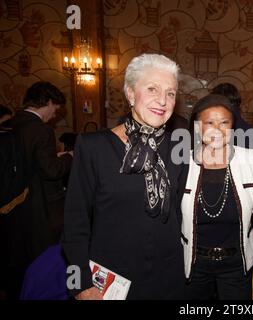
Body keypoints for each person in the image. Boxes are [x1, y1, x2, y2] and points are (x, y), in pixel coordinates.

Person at [63, 53, 187, 300]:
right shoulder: (94, 147)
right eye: (152, 89)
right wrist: (79, 286)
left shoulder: (178, 148)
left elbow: (181, 212)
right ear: (130, 93)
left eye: (170, 93)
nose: (162, 100)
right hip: (111, 282)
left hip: (169, 279)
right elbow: (74, 224)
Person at [181, 94, 253, 299]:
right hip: (194, 262)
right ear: (198, 128)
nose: (217, 129)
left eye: (224, 122)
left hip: (237, 262)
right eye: (210, 122)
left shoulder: (248, 158)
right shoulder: (183, 163)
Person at [2, 81, 72, 299]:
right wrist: (69, 157)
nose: (54, 114)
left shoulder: (12, 124)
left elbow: (28, 162)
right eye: (55, 108)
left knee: (19, 256)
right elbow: (50, 171)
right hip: (41, 206)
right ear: (48, 102)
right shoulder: (40, 129)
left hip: (15, 202)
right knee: (44, 258)